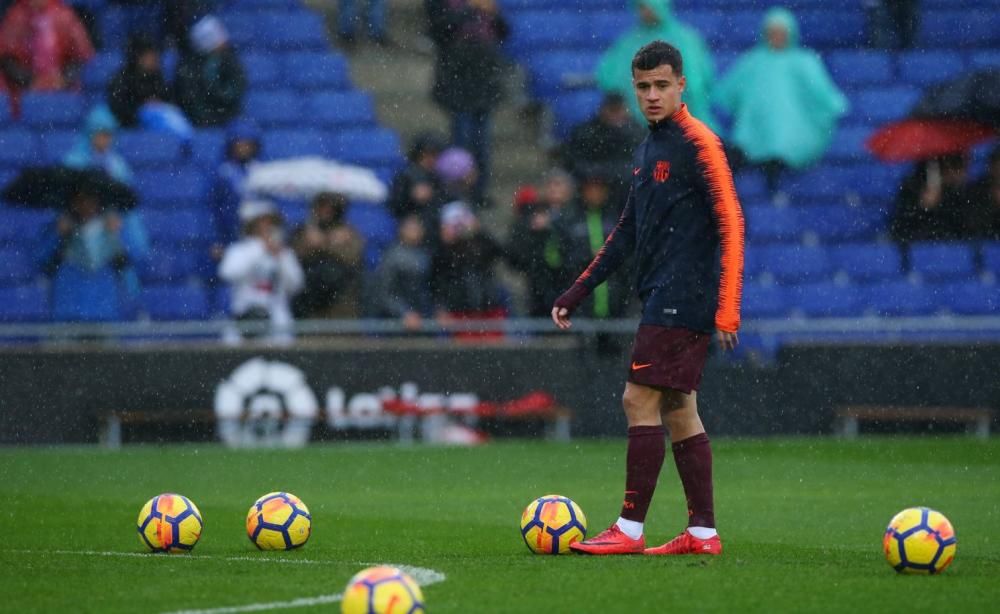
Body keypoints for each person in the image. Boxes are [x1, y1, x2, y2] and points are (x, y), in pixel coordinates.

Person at [552, 41, 744, 556]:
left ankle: (629, 529)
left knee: (637, 399)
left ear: (682, 84)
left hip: (686, 294)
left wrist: (728, 307)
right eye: (643, 87)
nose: (652, 95)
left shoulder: (700, 143)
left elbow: (732, 222)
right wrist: (577, 290)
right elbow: (626, 233)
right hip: (664, 292)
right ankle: (702, 533)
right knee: (681, 408)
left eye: (662, 85)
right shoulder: (648, 146)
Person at [713, 7, 848, 197]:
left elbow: (823, 97)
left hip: (792, 135)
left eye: (781, 32)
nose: (776, 37)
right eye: (772, 32)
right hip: (753, 134)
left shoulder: (804, 62)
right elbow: (727, 94)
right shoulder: (752, 61)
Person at [425, 0, 508, 205]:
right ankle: (458, 190)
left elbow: (504, 32)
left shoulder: (487, 5)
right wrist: (470, 9)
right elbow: (438, 30)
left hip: (484, 78)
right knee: (462, 139)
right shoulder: (445, 5)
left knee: (482, 143)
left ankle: (479, 191)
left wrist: (494, 14)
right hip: (457, 77)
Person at [595, 0, 715, 130]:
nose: (645, 12)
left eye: (649, 6)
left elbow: (697, 83)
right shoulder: (627, 42)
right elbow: (608, 78)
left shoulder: (685, 39)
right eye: (641, 7)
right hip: (638, 127)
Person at [39, 183, 149, 321]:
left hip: (105, 312)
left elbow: (136, 259)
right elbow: (39, 261)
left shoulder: (113, 227)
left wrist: (120, 233)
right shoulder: (59, 227)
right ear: (72, 203)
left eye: (91, 199)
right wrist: (56, 234)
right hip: (66, 312)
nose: (86, 205)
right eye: (80, 200)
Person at [218, 200, 304, 345]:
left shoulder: (284, 253)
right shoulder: (240, 250)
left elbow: (296, 284)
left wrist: (281, 258)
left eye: (271, 222)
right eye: (262, 222)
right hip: (245, 319)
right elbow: (228, 273)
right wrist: (260, 248)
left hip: (277, 322)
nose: (266, 226)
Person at [555, 168, 631, 322]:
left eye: (599, 188)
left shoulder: (618, 219)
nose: (595, 193)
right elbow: (558, 258)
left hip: (615, 305)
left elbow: (628, 257)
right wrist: (587, 256)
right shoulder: (569, 220)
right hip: (580, 307)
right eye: (591, 188)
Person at [291, 192, 365, 319]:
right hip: (309, 305)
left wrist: (324, 243)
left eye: (331, 207)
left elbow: (352, 257)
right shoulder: (303, 231)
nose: (326, 210)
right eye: (322, 206)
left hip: (341, 305)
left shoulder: (349, 233)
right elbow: (292, 257)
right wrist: (310, 242)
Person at [561, 93, 646, 204]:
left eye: (618, 110)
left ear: (626, 111)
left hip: (624, 188)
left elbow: (640, 165)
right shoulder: (587, 132)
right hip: (592, 185)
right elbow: (574, 162)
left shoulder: (637, 132)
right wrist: (598, 175)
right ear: (603, 110)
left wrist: (609, 173)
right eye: (612, 110)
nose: (615, 115)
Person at [431, 200, 506, 323]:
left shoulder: (479, 244)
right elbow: (437, 279)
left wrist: (479, 233)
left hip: (488, 309)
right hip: (458, 312)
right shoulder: (442, 252)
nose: (460, 229)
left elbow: (498, 252)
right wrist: (447, 243)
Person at [0, 0, 93, 95]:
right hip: (23, 93)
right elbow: (5, 57)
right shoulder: (16, 17)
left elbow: (82, 56)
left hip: (64, 91)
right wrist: (30, 80)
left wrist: (63, 79)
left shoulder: (64, 15)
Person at [506, 184, 568, 318]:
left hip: (553, 279)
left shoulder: (561, 221)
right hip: (538, 280)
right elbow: (516, 257)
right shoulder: (524, 228)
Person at [174, 14, 245, 127]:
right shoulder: (188, 67)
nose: (223, 42)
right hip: (199, 121)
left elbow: (236, 88)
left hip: (228, 117)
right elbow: (190, 98)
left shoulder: (230, 61)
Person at [371, 214, 433, 330]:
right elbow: (385, 293)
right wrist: (404, 313)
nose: (415, 232)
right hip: (396, 323)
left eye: (417, 228)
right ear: (402, 230)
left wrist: (437, 310)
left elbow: (430, 290)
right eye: (411, 228)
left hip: (424, 319)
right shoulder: (392, 257)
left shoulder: (426, 255)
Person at [890, 154, 969, 244]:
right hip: (920, 243)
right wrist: (924, 208)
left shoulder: (961, 193)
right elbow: (902, 227)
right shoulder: (912, 187)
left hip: (951, 246)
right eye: (955, 166)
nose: (960, 174)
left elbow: (963, 230)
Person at [208, 119, 260, 251]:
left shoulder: (260, 170)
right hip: (231, 233)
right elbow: (215, 209)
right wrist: (217, 240)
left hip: (257, 234)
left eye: (248, 144)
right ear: (232, 145)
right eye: (240, 143)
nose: (244, 148)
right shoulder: (223, 173)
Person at [106, 34, 171, 128]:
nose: (155, 59)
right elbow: (119, 108)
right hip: (133, 125)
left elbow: (169, 99)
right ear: (139, 58)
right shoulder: (122, 79)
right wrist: (143, 106)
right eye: (150, 55)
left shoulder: (157, 76)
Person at [387, 132, 448, 229]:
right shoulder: (405, 175)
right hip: (410, 224)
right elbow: (395, 205)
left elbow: (447, 200)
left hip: (435, 225)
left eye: (434, 155)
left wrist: (434, 195)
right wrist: (411, 196)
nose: (431, 159)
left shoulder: (438, 177)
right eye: (427, 154)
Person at [63, 104, 133, 185]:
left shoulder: (117, 163)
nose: (106, 139)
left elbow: (126, 187)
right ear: (91, 134)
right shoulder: (74, 160)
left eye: (109, 135)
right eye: (102, 134)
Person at [962, 145, 1000, 240]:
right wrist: (993, 204)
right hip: (981, 244)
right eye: (998, 164)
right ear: (992, 166)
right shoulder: (977, 189)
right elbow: (970, 222)